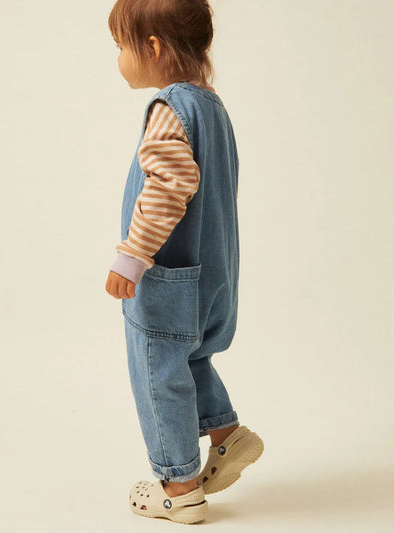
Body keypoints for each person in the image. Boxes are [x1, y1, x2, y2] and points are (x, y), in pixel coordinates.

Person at [105, 0, 264, 524]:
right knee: (191, 359)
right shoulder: (212, 107)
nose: (119, 59)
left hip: (168, 276)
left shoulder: (170, 109)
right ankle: (226, 435)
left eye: (121, 47)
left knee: (158, 371)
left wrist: (133, 256)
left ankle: (179, 487)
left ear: (153, 48)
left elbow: (168, 187)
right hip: (215, 273)